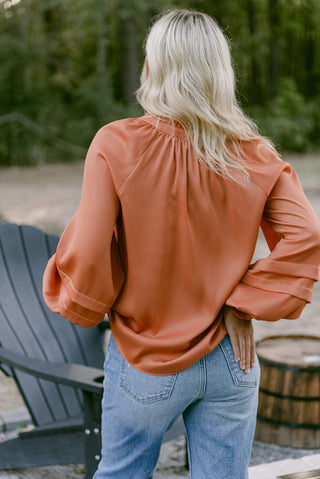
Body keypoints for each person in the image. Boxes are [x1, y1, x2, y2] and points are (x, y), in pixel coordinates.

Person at [42, 9, 320, 479]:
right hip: (233, 359)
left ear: (152, 69)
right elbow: (307, 236)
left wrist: (77, 300)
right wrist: (242, 305)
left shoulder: (115, 143)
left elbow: (88, 255)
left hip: (147, 359)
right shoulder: (255, 153)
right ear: (220, 72)